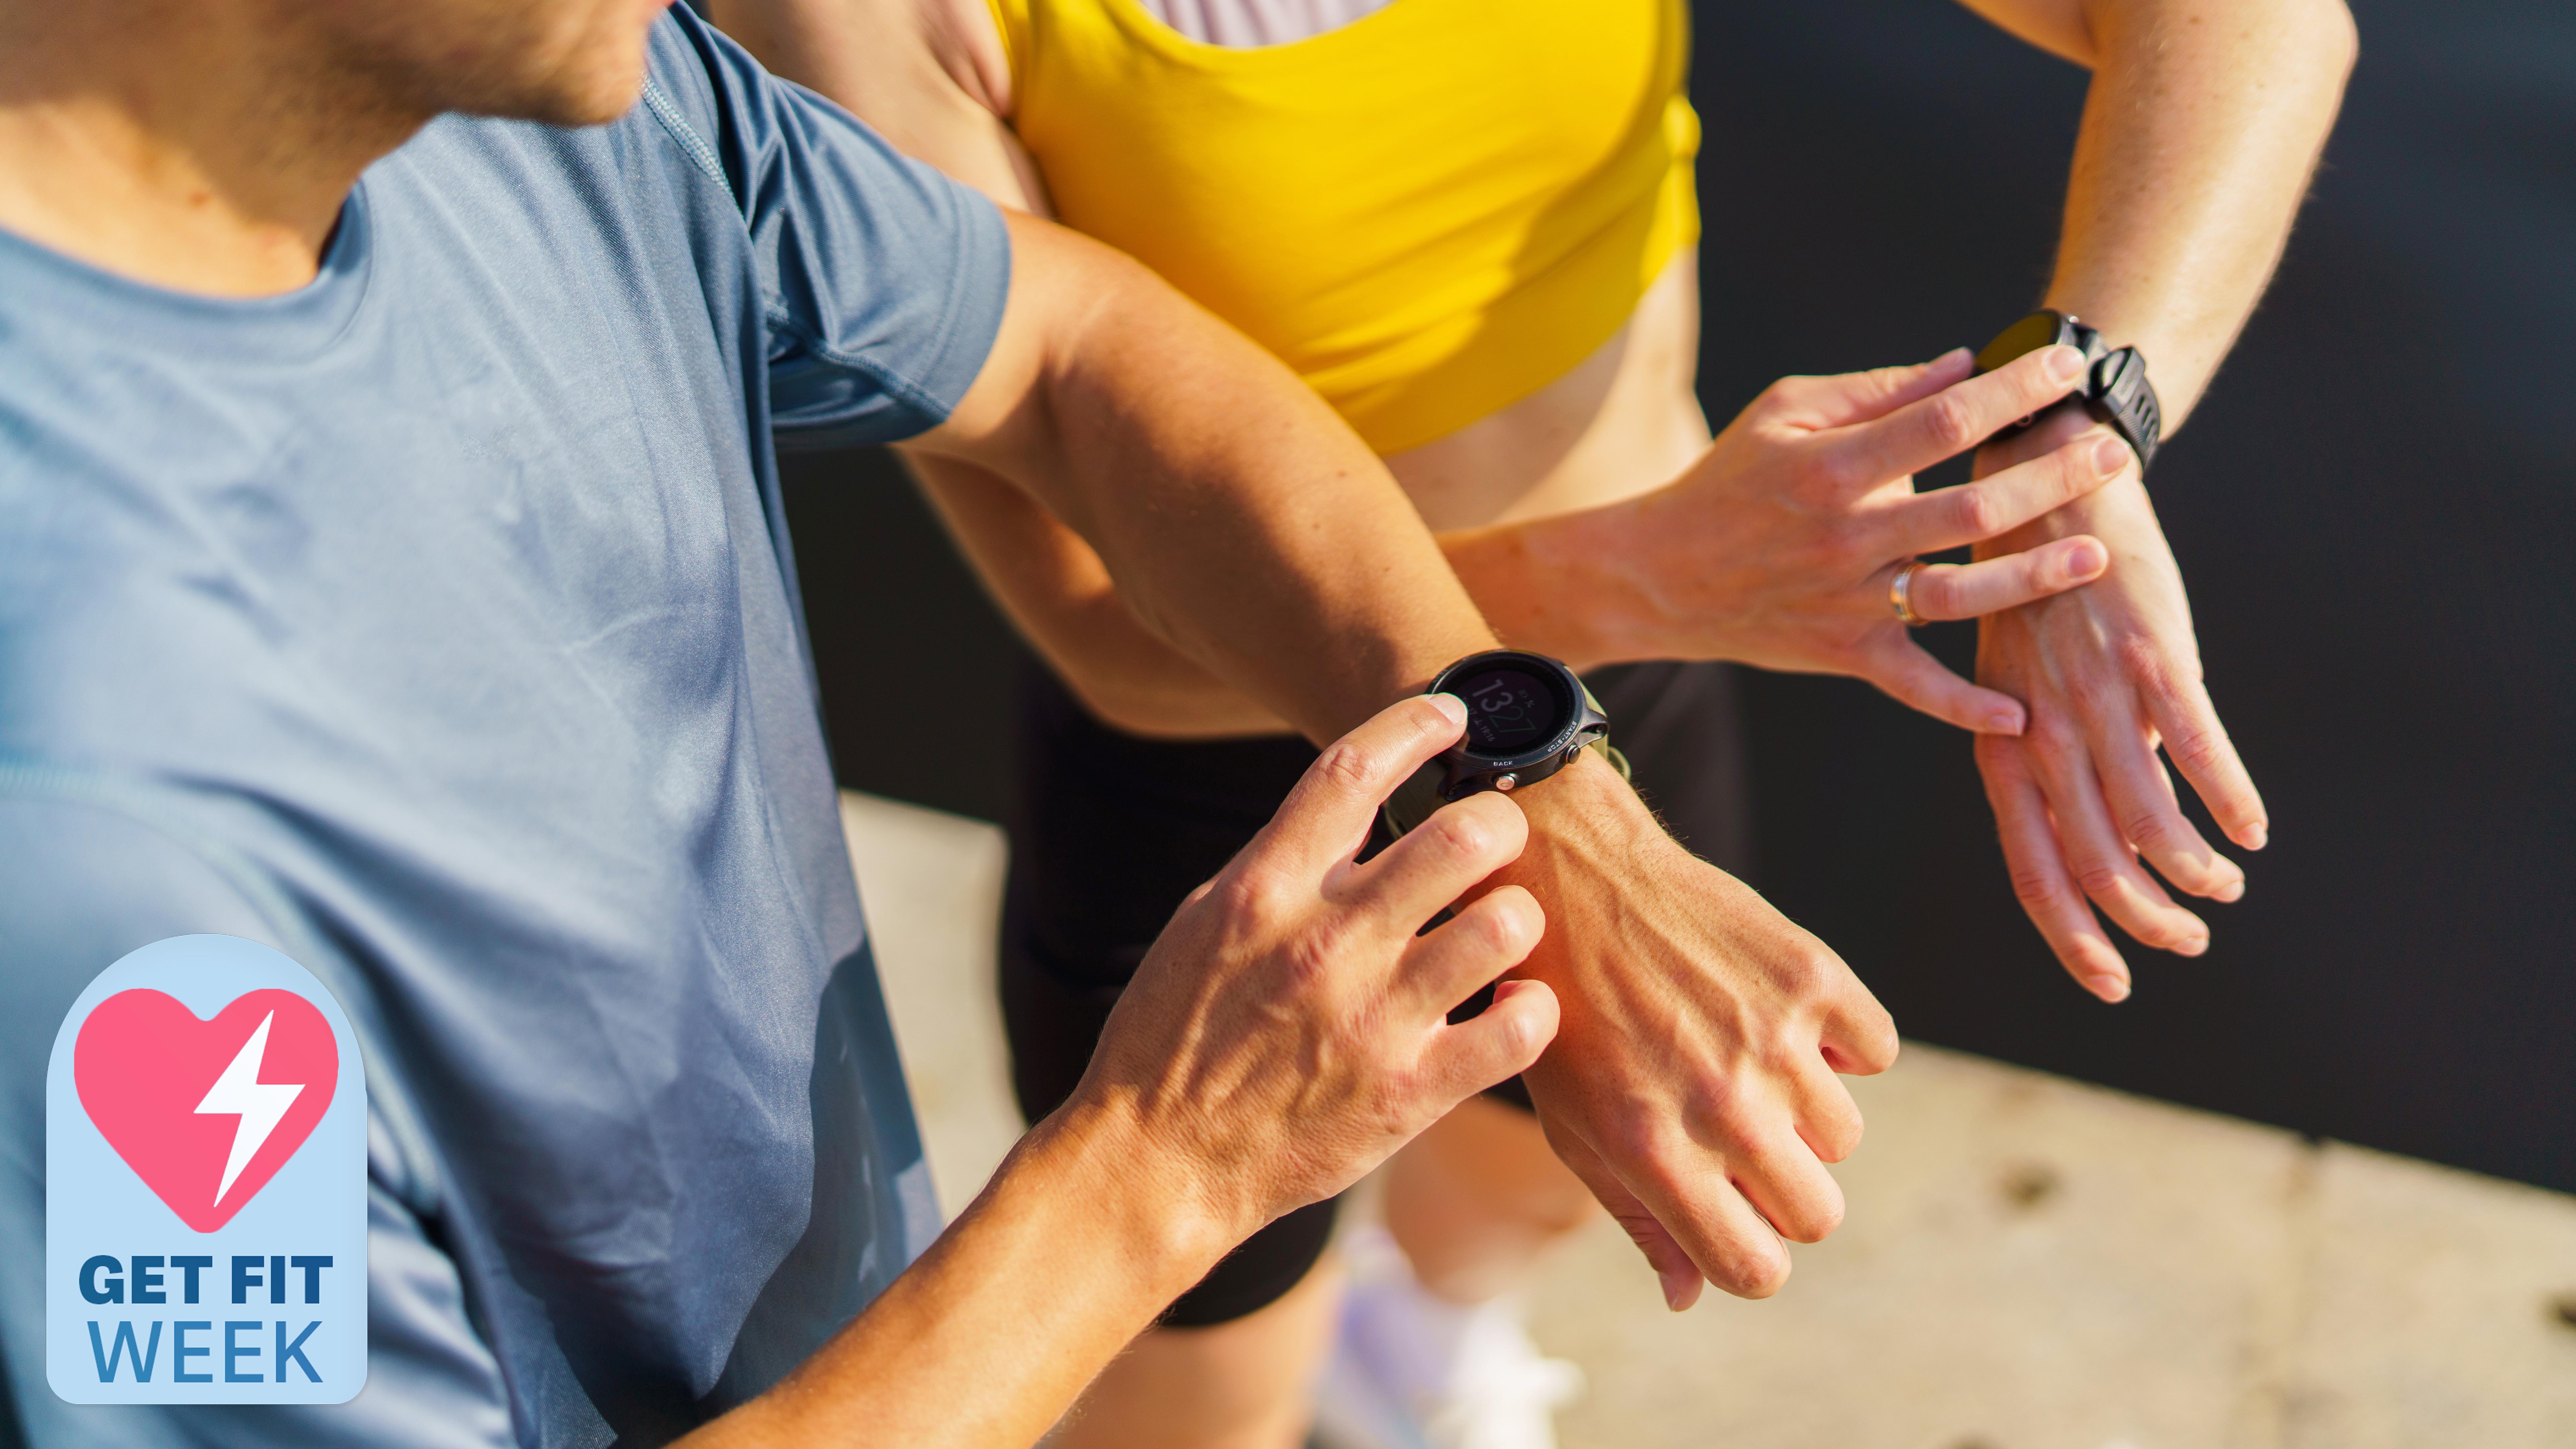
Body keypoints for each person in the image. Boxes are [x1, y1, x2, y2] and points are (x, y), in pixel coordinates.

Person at [0, 0, 2166, 1439]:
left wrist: (1535, 767)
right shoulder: (82, 836)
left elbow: (1067, 353)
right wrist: (1158, 1165)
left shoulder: (545, 98)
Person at [704, 0, 2356, 1443]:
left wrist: (2068, 426)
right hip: (1244, 781)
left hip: (1635, 664)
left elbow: (2247, 22)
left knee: (1542, 1181)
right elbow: (1104, 634)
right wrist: (1647, 572)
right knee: (1188, 1399)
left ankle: (1418, 1344)